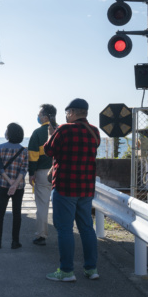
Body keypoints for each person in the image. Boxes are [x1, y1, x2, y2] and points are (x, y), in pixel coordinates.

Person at [44, 98, 101, 282]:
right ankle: (91, 269)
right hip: (86, 188)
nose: (66, 115)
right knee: (87, 228)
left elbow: (48, 150)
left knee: (65, 230)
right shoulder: (94, 131)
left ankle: (67, 271)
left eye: (67, 112)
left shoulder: (63, 130)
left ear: (72, 112)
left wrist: (51, 134)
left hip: (65, 187)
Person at [0, 123, 28, 250]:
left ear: (9, 133)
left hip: (3, 185)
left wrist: (9, 181)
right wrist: (15, 184)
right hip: (18, 187)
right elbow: (24, 170)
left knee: (0, 212)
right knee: (17, 213)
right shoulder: (24, 151)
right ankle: (15, 242)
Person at [28, 103, 57, 246]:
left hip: (42, 173)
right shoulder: (61, 130)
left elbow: (33, 156)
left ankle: (41, 235)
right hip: (60, 171)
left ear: (45, 117)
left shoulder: (37, 133)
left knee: (42, 205)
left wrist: (31, 173)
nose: (38, 117)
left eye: (39, 115)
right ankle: (66, 233)